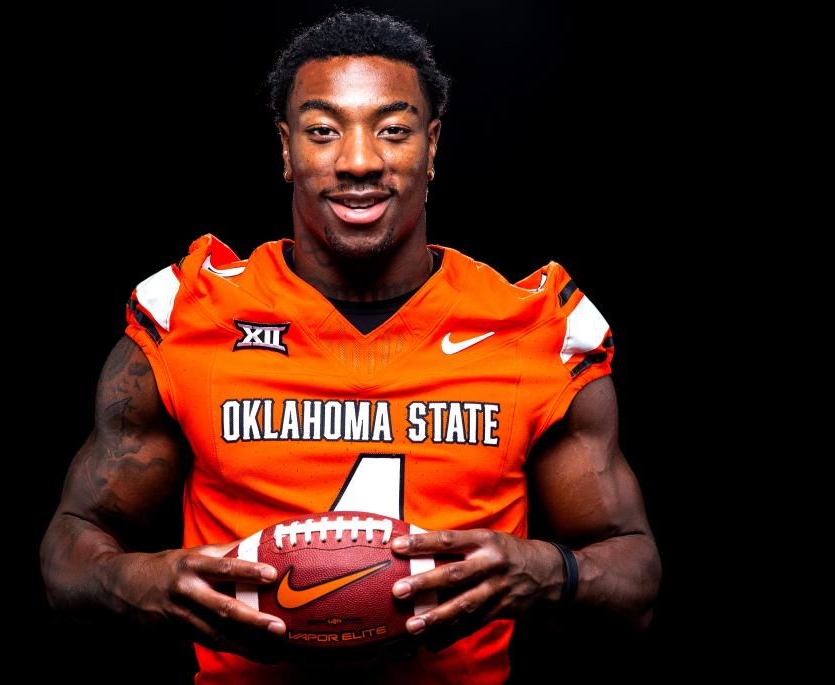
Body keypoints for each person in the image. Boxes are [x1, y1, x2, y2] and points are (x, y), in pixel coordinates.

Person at [40, 10, 661, 684]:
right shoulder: (190, 313)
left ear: (432, 145)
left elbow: (636, 577)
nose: (359, 160)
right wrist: (145, 580)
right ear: (286, 149)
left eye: (392, 130)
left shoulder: (535, 328)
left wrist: (552, 571)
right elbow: (69, 550)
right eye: (322, 131)